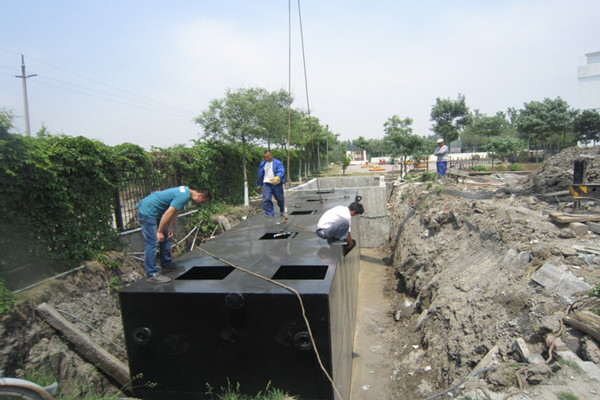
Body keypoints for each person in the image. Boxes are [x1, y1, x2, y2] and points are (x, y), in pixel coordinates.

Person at [137, 186, 212, 283]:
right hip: (147, 212)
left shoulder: (186, 192)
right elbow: (167, 213)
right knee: (152, 243)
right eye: (202, 201)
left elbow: (175, 211)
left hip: (157, 212)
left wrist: (169, 227)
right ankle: (151, 274)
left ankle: (167, 265)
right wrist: (159, 232)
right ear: (200, 196)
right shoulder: (184, 195)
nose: (200, 203)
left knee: (166, 238)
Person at [257, 150, 285, 218]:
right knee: (266, 199)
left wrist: (277, 177)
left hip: (276, 184)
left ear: (271, 155)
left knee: (280, 199)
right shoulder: (263, 164)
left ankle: (282, 208)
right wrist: (259, 184)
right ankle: (270, 213)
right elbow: (260, 174)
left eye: (267, 157)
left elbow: (281, 170)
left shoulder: (277, 163)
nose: (266, 158)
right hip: (267, 184)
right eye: (265, 157)